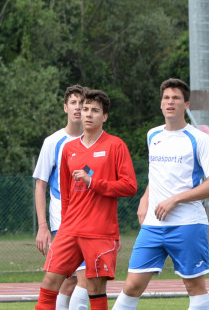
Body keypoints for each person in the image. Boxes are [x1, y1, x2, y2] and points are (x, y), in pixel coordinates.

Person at [111, 79, 209, 310]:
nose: (170, 102)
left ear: (186, 105)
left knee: (194, 286)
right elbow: (157, 174)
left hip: (188, 224)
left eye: (176, 98)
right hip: (153, 225)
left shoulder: (198, 139)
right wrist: (144, 200)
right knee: (132, 285)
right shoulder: (153, 135)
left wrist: (175, 199)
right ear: (161, 104)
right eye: (166, 98)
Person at [35, 89, 137, 310]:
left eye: (95, 110)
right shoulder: (68, 149)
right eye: (85, 109)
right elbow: (66, 194)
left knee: (94, 288)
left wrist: (94, 182)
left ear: (104, 116)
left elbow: (130, 186)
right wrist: (64, 224)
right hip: (69, 229)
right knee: (49, 282)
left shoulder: (115, 145)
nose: (89, 114)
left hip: (99, 231)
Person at [32, 85, 90, 310]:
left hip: (89, 220)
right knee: (82, 278)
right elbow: (40, 185)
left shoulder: (94, 141)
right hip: (62, 221)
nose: (78, 108)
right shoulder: (53, 141)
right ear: (66, 107)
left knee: (72, 280)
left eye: (82, 104)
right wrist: (42, 226)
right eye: (73, 103)